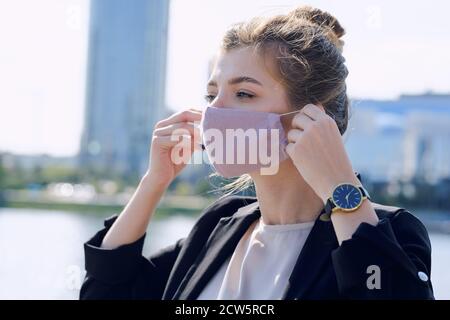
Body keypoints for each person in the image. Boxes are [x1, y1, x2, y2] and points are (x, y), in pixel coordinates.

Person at [79, 6, 434, 300]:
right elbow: (105, 292)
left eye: (244, 94)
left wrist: (341, 187)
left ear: (312, 116)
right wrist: (153, 182)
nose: (214, 112)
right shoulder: (220, 227)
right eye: (211, 96)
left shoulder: (388, 231)